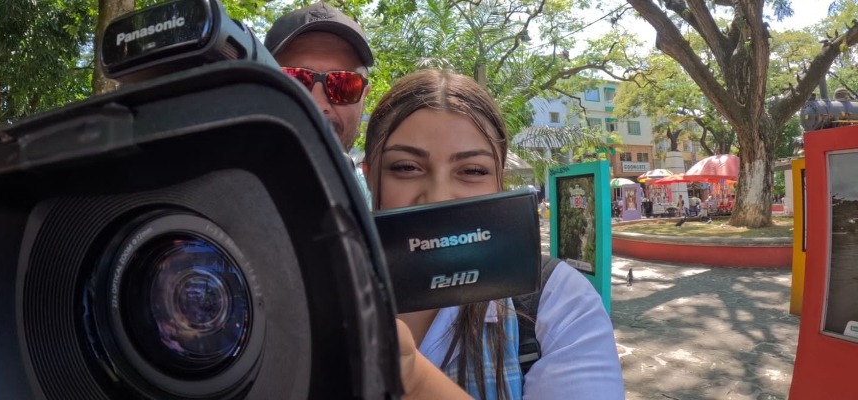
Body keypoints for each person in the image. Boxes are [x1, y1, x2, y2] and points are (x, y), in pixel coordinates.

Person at [362, 69, 624, 399]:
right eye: (405, 167)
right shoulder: (310, 293)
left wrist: (411, 376)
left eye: (472, 171)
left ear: (498, 183)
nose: (439, 196)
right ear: (370, 178)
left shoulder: (557, 300)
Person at [264, 2, 373, 202]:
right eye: (295, 80)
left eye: (343, 84)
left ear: (363, 98)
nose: (317, 104)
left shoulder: (380, 199)